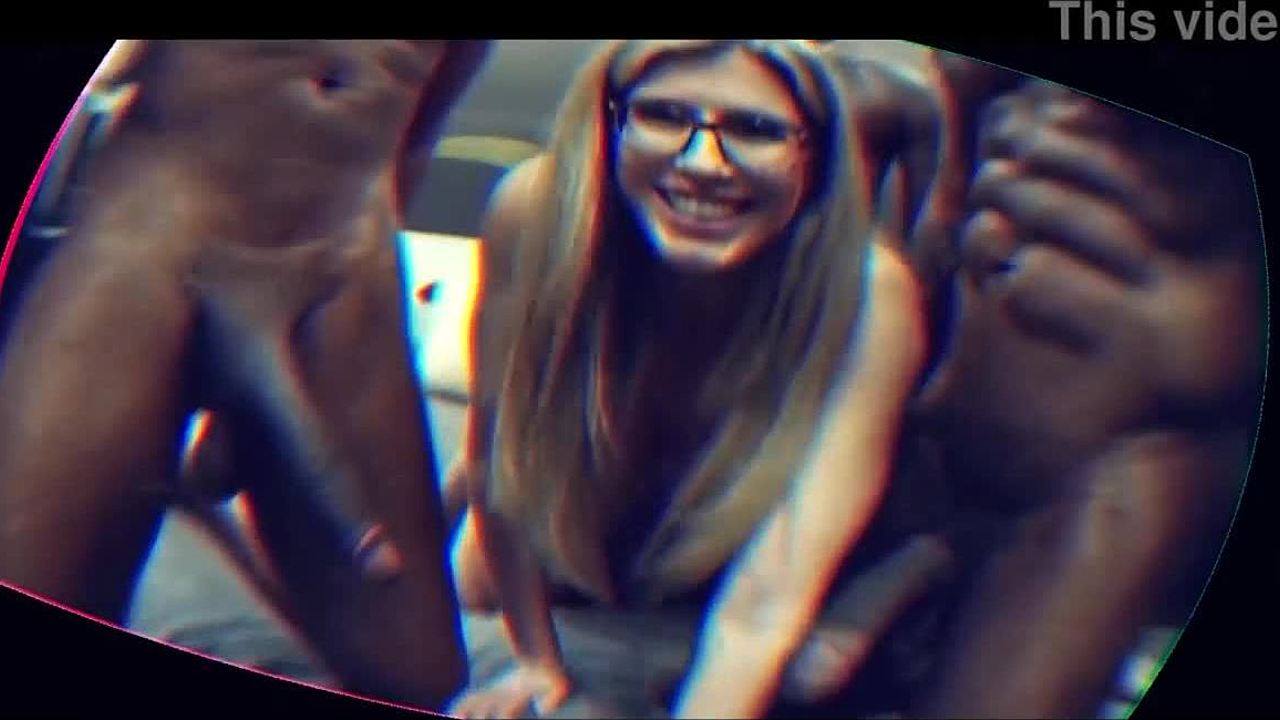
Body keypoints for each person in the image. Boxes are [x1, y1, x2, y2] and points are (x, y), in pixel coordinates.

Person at [446, 39, 936, 719]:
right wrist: (535, 662)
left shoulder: (870, 293)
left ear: (817, 152)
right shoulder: (535, 209)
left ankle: (915, 567)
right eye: (664, 115)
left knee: (809, 675)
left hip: (749, 548)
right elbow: (498, 461)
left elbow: (764, 606)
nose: (703, 163)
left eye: (756, 129)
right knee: (474, 576)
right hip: (603, 514)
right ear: (612, 121)